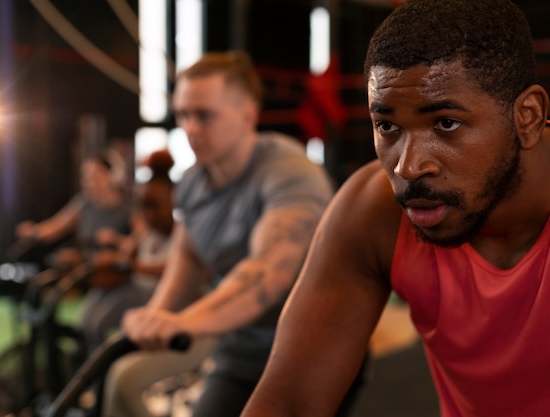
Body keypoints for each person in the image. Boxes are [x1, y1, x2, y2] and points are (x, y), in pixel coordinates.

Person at [240, 1, 550, 417]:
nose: (409, 166)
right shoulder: (373, 213)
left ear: (527, 117)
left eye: (446, 123)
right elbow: (289, 404)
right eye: (387, 126)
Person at [103, 50, 363, 417]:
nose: (191, 128)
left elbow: (268, 272)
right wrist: (154, 317)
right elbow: (188, 261)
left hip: (314, 349)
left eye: (204, 115)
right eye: (183, 115)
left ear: (248, 116)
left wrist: (185, 323)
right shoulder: (192, 183)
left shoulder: (289, 172)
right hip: (242, 345)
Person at [15, 153, 133, 353]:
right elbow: (57, 226)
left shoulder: (128, 207)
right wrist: (33, 232)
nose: (89, 181)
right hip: (97, 280)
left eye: (95, 175)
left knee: (97, 326)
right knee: (82, 326)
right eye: (85, 176)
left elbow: (142, 240)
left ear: (111, 175)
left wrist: (117, 240)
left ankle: (104, 374)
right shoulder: (85, 204)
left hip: (122, 280)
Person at [79, 149, 177, 349]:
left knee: (100, 325)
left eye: (155, 206)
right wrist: (112, 258)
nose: (149, 215)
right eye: (144, 207)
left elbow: (172, 269)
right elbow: (126, 252)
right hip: (135, 289)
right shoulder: (149, 234)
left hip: (152, 296)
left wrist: (134, 265)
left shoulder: (181, 237)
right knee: (85, 323)